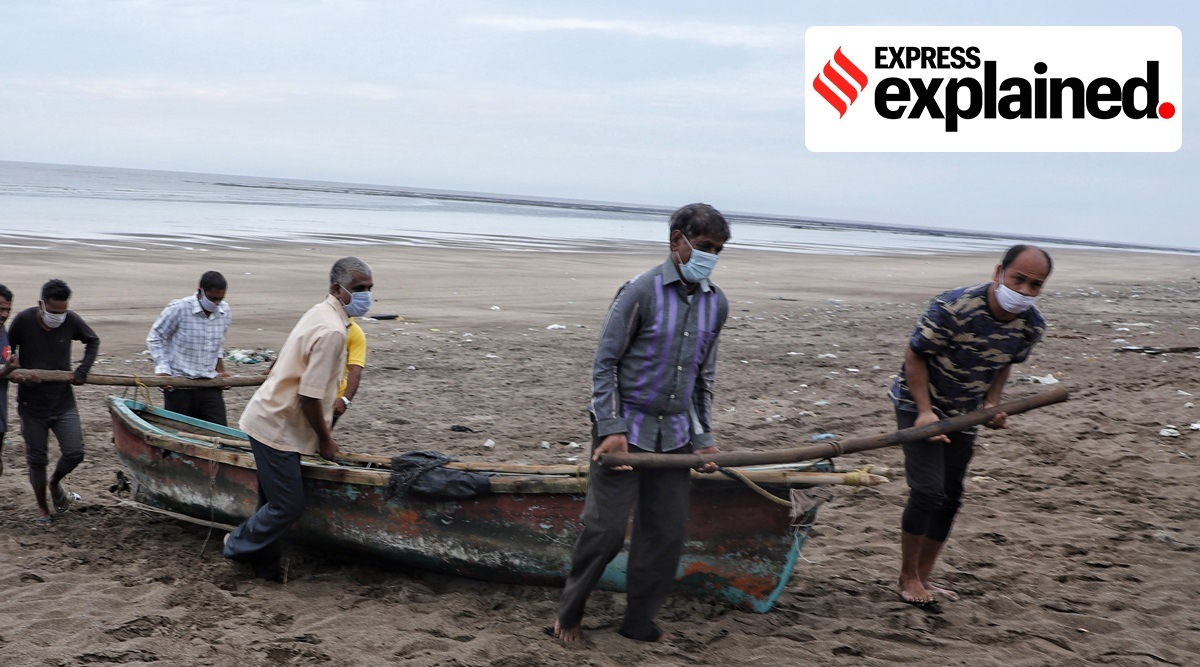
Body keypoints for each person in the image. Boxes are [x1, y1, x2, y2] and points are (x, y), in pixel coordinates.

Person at [555, 203, 729, 644]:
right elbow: (605, 363)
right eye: (704, 246)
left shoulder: (716, 303)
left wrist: (704, 439)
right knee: (606, 529)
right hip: (624, 432)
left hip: (674, 437)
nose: (711, 256)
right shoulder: (640, 291)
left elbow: (701, 379)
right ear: (677, 241)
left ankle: (639, 621)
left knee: (666, 534)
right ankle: (569, 615)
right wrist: (611, 427)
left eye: (719, 250)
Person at [888, 244, 1052, 605]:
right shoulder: (954, 307)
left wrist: (992, 403)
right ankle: (906, 578)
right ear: (999, 273)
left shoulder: (1031, 325)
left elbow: (1004, 361)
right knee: (928, 491)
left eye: (1035, 285)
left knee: (949, 496)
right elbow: (915, 355)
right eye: (1018, 279)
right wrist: (926, 412)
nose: (1024, 291)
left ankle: (924, 579)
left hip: (965, 412)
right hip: (917, 402)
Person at [223, 257, 373, 580]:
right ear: (338, 288)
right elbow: (309, 396)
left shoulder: (321, 312)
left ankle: (265, 569)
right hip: (277, 425)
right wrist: (325, 439)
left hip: (270, 416)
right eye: (360, 289)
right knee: (287, 506)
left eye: (370, 289)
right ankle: (234, 543)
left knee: (269, 503)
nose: (366, 296)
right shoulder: (333, 330)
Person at [8, 279, 101, 523]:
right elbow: (7, 350)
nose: (58, 317)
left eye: (62, 312)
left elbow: (93, 341)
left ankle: (55, 482)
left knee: (75, 452)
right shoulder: (23, 321)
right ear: (41, 305)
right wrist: (18, 373)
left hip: (63, 402)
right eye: (53, 312)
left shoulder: (70, 320)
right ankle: (42, 509)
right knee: (37, 459)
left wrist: (83, 370)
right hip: (31, 406)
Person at [146, 271, 233, 425]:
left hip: (209, 383)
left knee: (219, 433)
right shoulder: (179, 308)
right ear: (201, 291)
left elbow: (217, 344)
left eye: (220, 299)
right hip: (180, 384)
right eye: (212, 299)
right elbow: (155, 337)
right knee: (178, 433)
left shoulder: (224, 311)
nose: (216, 304)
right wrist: (163, 369)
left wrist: (220, 370)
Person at [331, 317, 366, 428]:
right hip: (333, 396)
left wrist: (345, 399)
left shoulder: (318, 320)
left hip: (329, 396)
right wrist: (345, 400)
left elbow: (355, 370)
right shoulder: (355, 332)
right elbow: (355, 370)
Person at [0, 285, 19, 475]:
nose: (4, 314)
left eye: (8, 310)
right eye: (0, 309)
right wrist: (7, 370)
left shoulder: (3, 330)